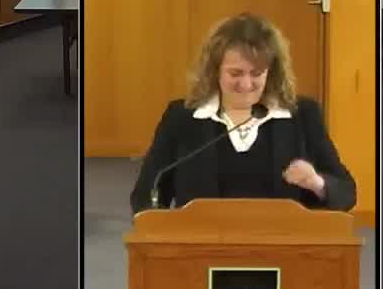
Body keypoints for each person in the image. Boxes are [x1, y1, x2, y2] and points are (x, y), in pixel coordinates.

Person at [130, 13, 356, 214]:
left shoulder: (303, 115)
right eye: (235, 73)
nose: (246, 84)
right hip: (203, 242)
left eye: (256, 73)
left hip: (283, 243)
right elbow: (146, 195)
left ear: (271, 73)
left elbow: (346, 193)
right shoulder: (182, 117)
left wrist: (317, 183)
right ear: (214, 71)